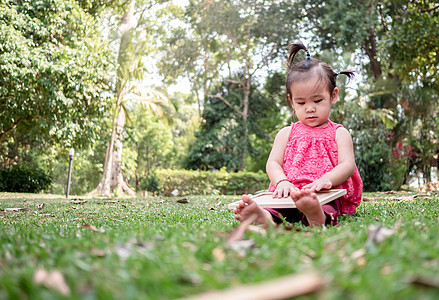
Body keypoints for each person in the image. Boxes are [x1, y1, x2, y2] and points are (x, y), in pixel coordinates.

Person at [234, 41, 363, 228]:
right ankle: (264, 217)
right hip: (287, 192)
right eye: (301, 103)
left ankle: (316, 216)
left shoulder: (339, 133)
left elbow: (347, 165)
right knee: (275, 209)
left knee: (326, 206)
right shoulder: (286, 133)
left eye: (317, 101)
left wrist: (326, 179)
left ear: (333, 96)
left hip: (323, 193)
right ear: (291, 101)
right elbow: (273, 163)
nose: (310, 109)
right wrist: (282, 182)